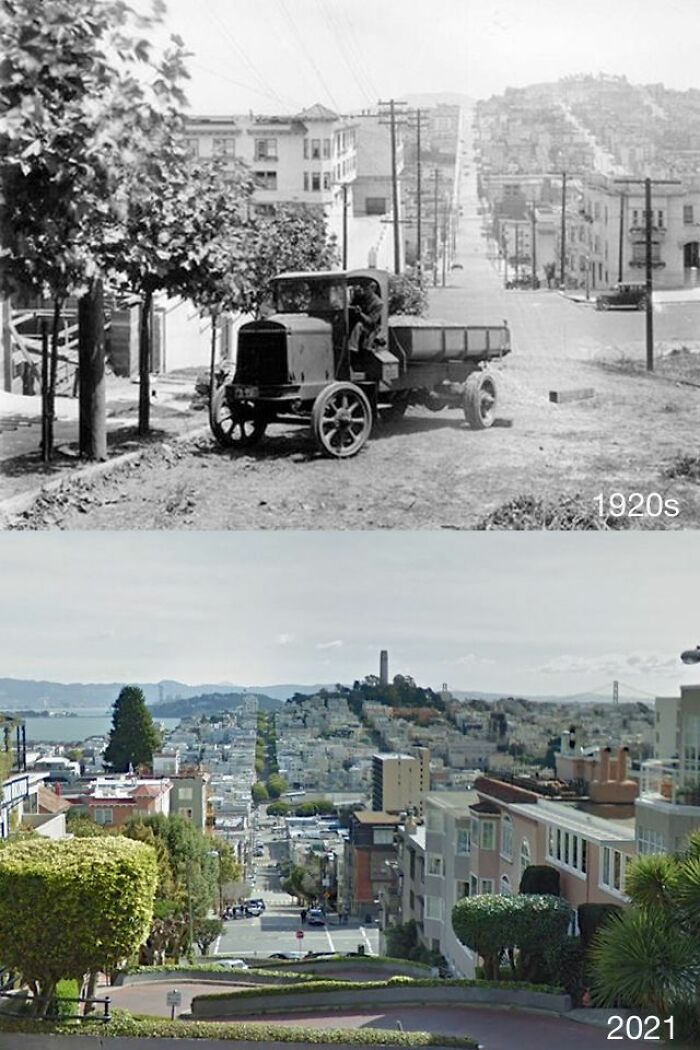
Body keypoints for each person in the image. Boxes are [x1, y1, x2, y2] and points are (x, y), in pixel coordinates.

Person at [348, 282, 383, 351]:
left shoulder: (378, 303)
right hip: (355, 322)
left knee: (358, 325)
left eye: (366, 289)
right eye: (363, 288)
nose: (364, 291)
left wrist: (360, 313)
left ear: (373, 289)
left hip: (369, 328)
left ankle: (352, 348)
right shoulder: (360, 298)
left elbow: (371, 321)